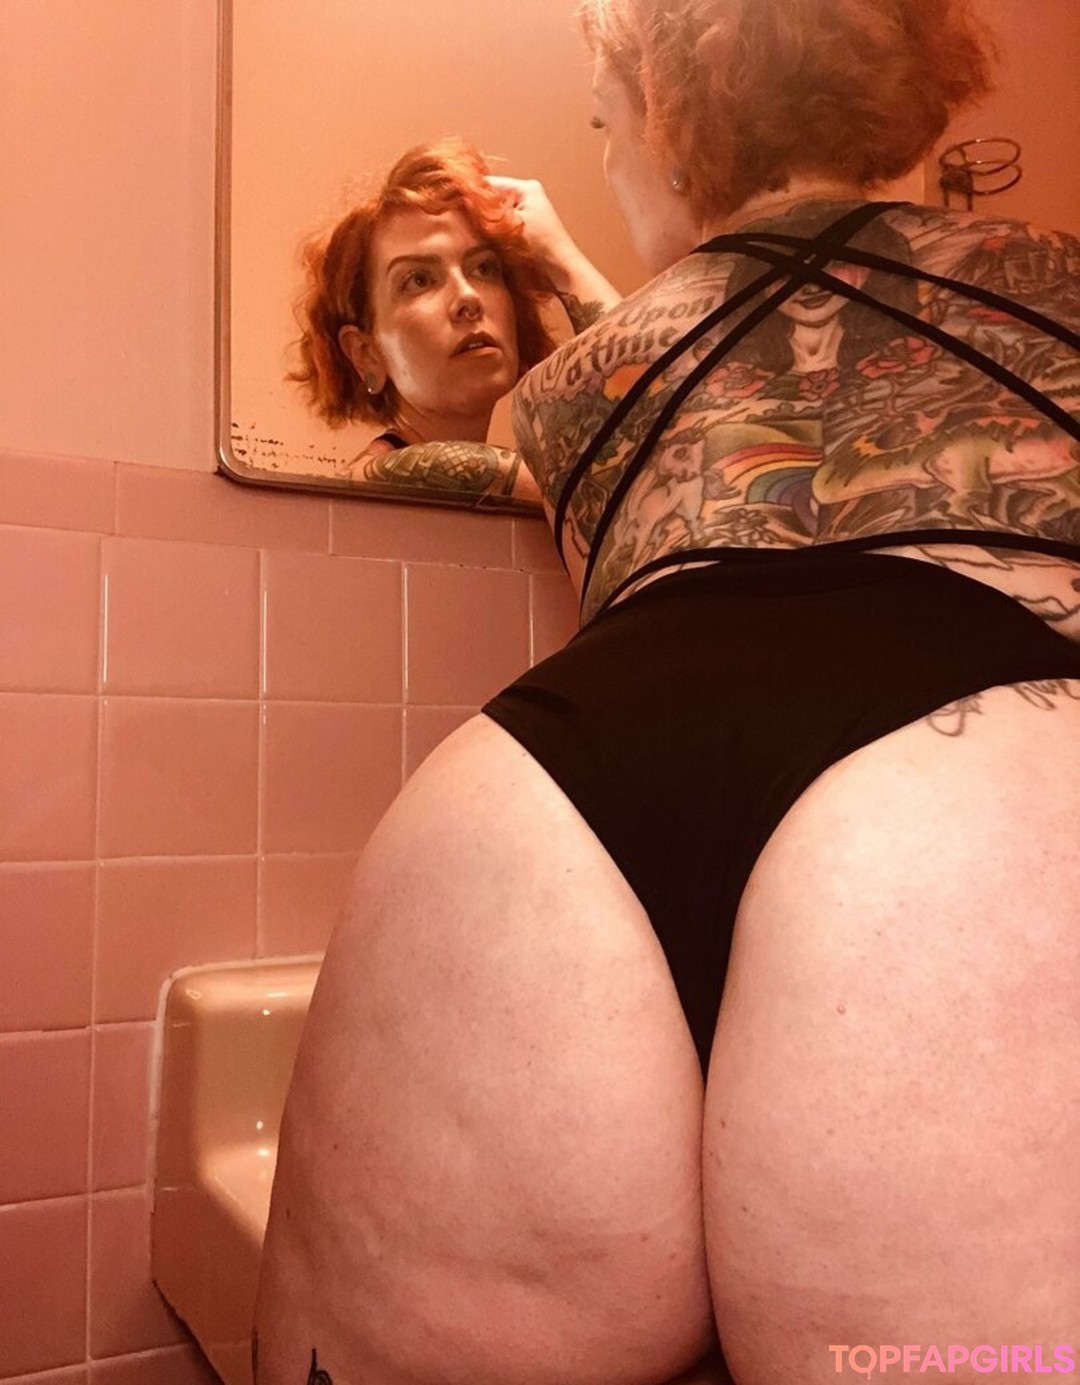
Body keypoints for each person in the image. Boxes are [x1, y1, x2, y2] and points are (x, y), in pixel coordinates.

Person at [255, 4, 1080, 1383]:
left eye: (603, 123)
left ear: (661, 118)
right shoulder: (1053, 277)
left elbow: (688, 347)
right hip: (968, 791)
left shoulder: (568, 392)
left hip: (532, 818)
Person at [288, 137, 618, 510]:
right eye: (419, 280)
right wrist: (564, 262)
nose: (468, 296)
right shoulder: (396, 476)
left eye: (484, 268)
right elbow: (652, 447)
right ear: (366, 354)